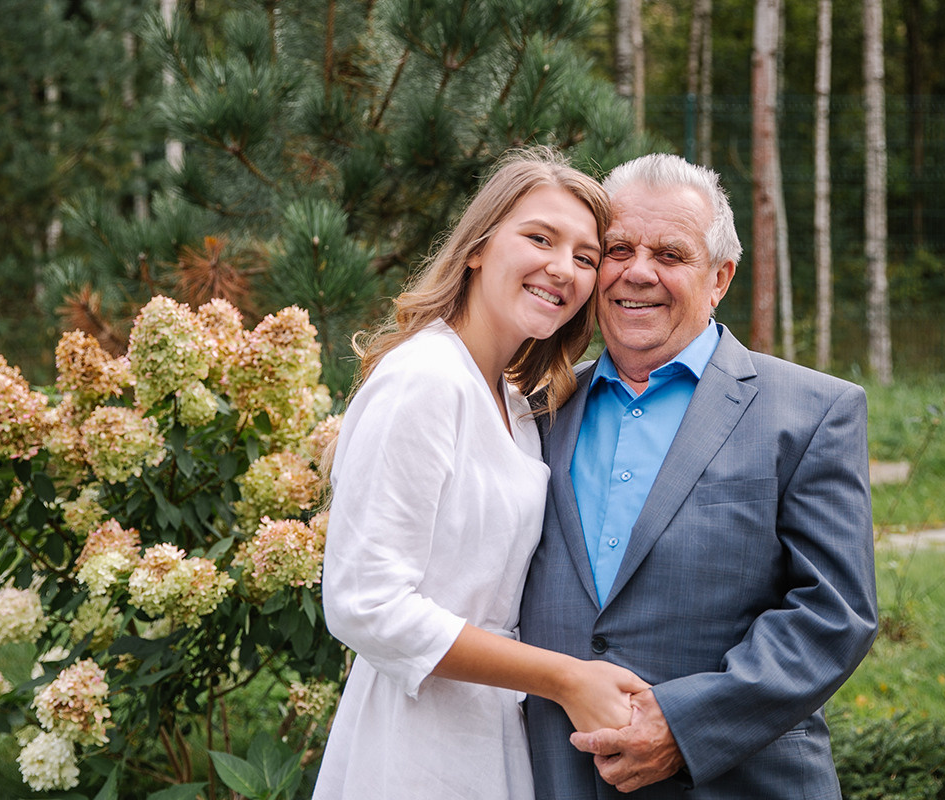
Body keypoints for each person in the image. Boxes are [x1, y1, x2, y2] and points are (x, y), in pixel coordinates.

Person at [519, 153, 878, 799]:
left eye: (670, 255)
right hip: (553, 772)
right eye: (618, 248)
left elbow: (835, 611)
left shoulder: (812, 411)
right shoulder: (535, 409)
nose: (637, 273)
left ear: (719, 278)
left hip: (734, 781)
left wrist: (683, 729)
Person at [313, 147, 649, 800]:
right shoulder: (425, 380)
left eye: (585, 256)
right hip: (413, 741)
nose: (563, 268)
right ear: (477, 248)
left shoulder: (517, 402)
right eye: (540, 238)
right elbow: (365, 604)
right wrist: (565, 678)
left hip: (493, 732)